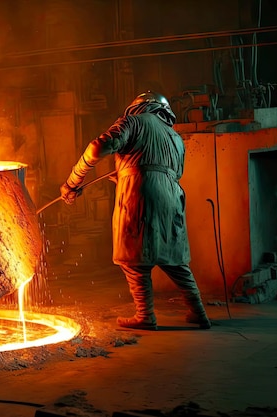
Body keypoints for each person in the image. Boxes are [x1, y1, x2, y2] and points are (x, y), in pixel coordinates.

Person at [60, 91, 211, 330]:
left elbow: (97, 148)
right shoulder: (175, 137)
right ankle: (198, 312)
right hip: (172, 196)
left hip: (140, 193)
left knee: (133, 257)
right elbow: (159, 169)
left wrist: (73, 182)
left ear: (137, 108)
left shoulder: (133, 122)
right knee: (174, 259)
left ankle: (145, 315)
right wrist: (124, 175)